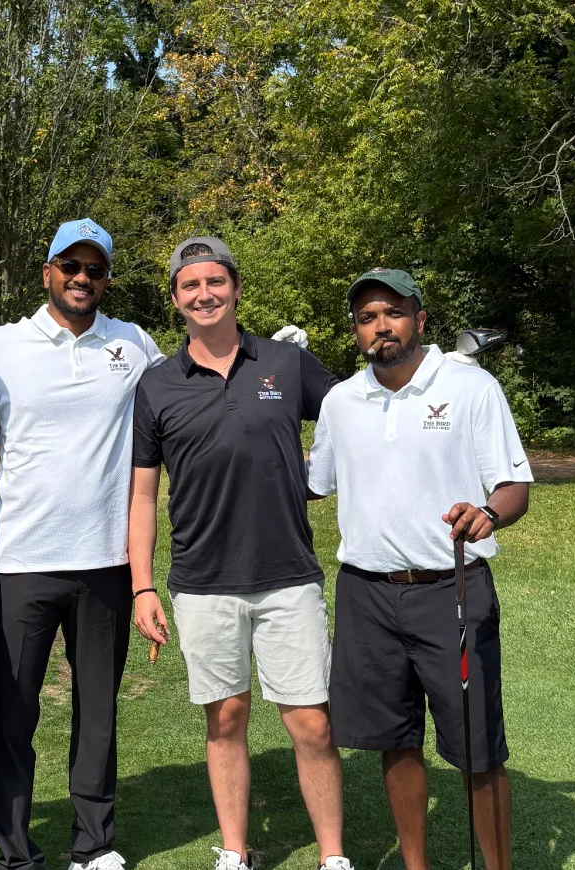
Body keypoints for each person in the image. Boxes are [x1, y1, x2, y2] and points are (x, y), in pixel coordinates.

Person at [128, 237, 354, 870]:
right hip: (202, 580)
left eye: (215, 282)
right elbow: (142, 494)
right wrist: (143, 585)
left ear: (235, 287)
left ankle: (333, 856)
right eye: (189, 285)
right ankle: (234, 850)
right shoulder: (156, 385)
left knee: (311, 722)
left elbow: (353, 418)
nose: (204, 294)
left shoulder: (286, 362)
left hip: (288, 575)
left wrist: (315, 474)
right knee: (225, 719)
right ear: (175, 300)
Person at [305, 268, 532, 870]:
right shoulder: (340, 400)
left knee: (479, 749)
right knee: (394, 741)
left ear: (420, 319)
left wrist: (487, 512)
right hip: (366, 594)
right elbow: (313, 483)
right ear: (357, 331)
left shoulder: (470, 386)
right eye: (367, 318)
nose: (381, 326)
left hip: (450, 590)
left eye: (393, 312)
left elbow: (513, 487)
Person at [0, 218, 164, 870]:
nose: (83, 279)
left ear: (107, 277)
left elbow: (186, 397)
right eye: (70, 267)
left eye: (95, 269)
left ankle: (94, 845)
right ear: (47, 271)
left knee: (98, 712)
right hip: (22, 561)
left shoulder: (134, 344)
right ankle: (14, 850)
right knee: (14, 714)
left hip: (108, 561)